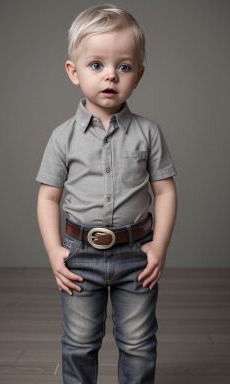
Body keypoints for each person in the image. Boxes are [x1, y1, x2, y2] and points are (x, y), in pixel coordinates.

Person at [36, 4, 177, 384]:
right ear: (74, 72)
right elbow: (49, 198)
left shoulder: (149, 132)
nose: (111, 75)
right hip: (80, 255)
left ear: (138, 75)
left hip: (136, 254)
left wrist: (159, 246)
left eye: (124, 66)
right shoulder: (61, 137)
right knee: (79, 343)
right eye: (96, 65)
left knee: (138, 342)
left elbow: (164, 192)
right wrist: (54, 251)